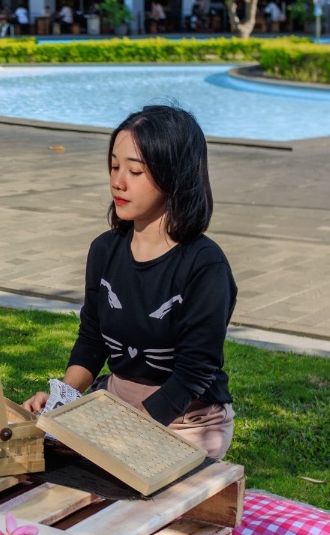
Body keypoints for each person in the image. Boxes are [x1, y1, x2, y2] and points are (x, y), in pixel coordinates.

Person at [23, 105, 238, 459]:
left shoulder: (205, 266)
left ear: (173, 175)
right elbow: (92, 339)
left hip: (188, 421)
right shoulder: (104, 250)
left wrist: (129, 432)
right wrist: (62, 401)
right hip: (115, 407)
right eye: (114, 166)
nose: (118, 182)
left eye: (135, 171)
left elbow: (194, 373)